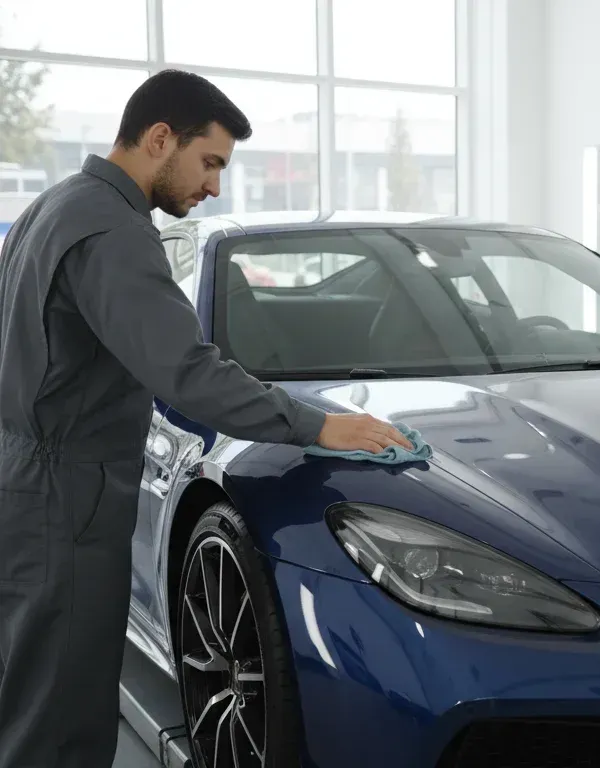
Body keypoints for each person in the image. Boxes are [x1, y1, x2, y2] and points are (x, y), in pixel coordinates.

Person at [0, 70, 413, 768]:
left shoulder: (54, 207)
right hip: (67, 501)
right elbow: (187, 371)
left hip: (30, 481)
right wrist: (317, 425)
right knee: (61, 716)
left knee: (33, 691)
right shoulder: (112, 231)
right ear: (161, 138)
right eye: (210, 161)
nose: (214, 185)